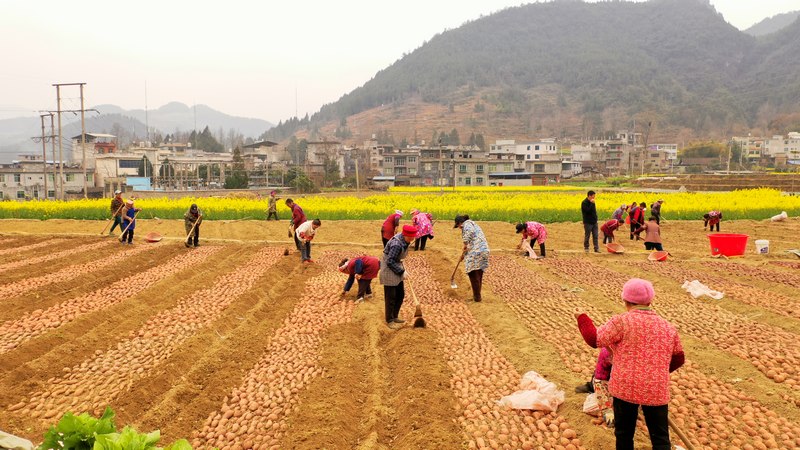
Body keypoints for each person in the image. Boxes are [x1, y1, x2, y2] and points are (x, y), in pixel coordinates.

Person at [574, 278, 685, 450]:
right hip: (656, 388)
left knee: (624, 434)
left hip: (625, 387)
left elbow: (594, 339)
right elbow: (679, 358)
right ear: (650, 301)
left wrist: (582, 318)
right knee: (660, 437)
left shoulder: (622, 321)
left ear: (625, 301)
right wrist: (657, 371)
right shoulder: (667, 327)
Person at [380, 224, 417, 326]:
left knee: (400, 294)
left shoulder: (405, 240)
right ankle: (389, 320)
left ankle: (395, 316)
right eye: (411, 237)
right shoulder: (396, 244)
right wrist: (401, 272)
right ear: (406, 235)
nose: (413, 239)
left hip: (396, 266)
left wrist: (401, 267)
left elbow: (396, 259)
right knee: (391, 296)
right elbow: (390, 261)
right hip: (389, 269)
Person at [455, 215, 489, 302]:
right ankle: (477, 296)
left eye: (458, 226)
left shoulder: (467, 224)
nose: (459, 228)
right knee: (478, 273)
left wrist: (465, 243)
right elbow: (472, 239)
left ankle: (477, 297)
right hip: (483, 250)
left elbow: (469, 234)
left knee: (473, 273)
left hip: (476, 252)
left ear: (460, 223)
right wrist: (464, 253)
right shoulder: (474, 224)